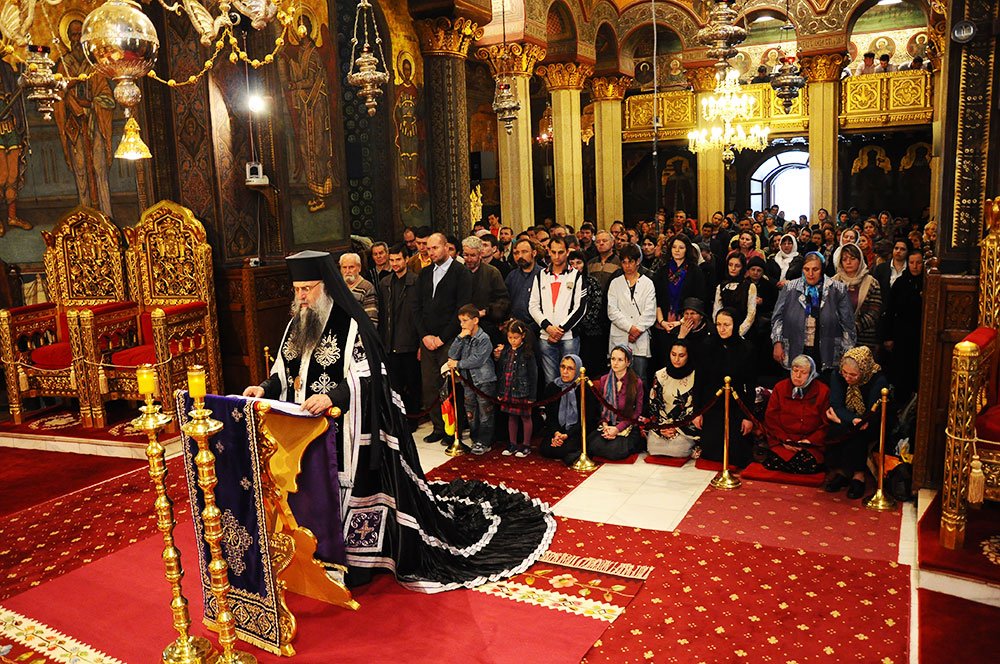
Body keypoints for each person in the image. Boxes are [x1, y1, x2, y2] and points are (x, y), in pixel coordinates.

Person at [243, 250, 553, 591]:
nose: (300, 297)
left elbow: (368, 375)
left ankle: (351, 560)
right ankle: (313, 551)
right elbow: (285, 372)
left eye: (307, 289)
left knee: (342, 491)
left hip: (345, 430)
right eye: (297, 289)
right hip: (303, 433)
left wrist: (332, 397)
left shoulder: (351, 324)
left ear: (325, 287)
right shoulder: (296, 323)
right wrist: (263, 387)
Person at [415, 233, 472, 443]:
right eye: (428, 249)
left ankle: (453, 429)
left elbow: (461, 308)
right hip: (428, 339)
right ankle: (438, 427)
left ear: (446, 247)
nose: (431, 253)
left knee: (449, 386)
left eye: (435, 248)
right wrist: (425, 336)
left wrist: (442, 337)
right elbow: (417, 307)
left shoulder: (460, 272)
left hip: (449, 339)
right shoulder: (425, 273)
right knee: (430, 385)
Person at [772, 252, 857, 377]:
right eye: (806, 269)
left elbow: (848, 324)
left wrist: (846, 351)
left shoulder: (837, 289)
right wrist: (777, 342)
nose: (810, 274)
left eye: (815, 269)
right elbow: (778, 317)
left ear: (822, 269)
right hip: (795, 345)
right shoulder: (790, 288)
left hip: (826, 348)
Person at [825, 346, 890, 500]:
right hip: (848, 418)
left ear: (864, 370)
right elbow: (836, 405)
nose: (847, 378)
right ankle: (841, 473)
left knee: (858, 435)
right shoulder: (838, 375)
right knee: (837, 428)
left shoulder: (877, 379)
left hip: (870, 421)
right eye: (845, 373)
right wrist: (849, 420)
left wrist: (851, 421)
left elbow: (871, 413)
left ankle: (858, 476)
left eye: (853, 375)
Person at [695, 309, 754, 468]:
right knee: (711, 454)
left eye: (726, 325)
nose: (722, 329)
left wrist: (748, 416)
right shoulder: (706, 346)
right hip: (711, 405)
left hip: (736, 406)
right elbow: (699, 381)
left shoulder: (746, 348)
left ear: (735, 325)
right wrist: (697, 412)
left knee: (736, 454)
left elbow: (750, 385)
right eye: (719, 324)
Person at [528, 237, 588, 384]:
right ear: (548, 251)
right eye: (553, 252)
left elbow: (580, 308)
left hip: (568, 337)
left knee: (571, 381)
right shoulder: (540, 275)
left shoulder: (576, 275)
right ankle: (553, 408)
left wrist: (560, 330)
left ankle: (571, 408)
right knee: (551, 381)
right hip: (545, 335)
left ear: (567, 252)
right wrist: (548, 327)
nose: (556, 256)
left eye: (560, 252)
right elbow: (533, 305)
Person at [761, 355, 830, 474]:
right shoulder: (780, 387)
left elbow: (826, 424)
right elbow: (771, 418)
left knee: (806, 464)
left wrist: (809, 441)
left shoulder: (823, 391)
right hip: (784, 441)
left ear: (811, 374)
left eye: (803, 372)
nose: (797, 376)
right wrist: (785, 440)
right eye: (794, 371)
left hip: (810, 443)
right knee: (772, 461)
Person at [379, 244, 420, 427]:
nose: (395, 263)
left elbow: (421, 314)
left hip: (410, 342)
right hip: (390, 342)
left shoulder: (416, 281)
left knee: (413, 384)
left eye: (398, 260)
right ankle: (399, 418)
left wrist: (420, 343)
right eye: (392, 260)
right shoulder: (385, 283)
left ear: (405, 260)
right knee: (395, 384)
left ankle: (413, 418)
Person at [448, 305, 496, 455]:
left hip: (483, 381)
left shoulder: (484, 338)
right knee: (471, 411)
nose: (462, 324)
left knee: (485, 412)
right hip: (467, 381)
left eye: (465, 320)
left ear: (475, 320)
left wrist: (458, 364)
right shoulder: (463, 336)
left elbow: (478, 359)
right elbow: (452, 353)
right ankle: (475, 438)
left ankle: (485, 441)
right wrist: (459, 338)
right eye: (460, 321)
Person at [607, 244, 657, 380]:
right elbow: (612, 311)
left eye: (631, 262)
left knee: (639, 378)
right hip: (620, 336)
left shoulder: (648, 283)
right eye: (624, 262)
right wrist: (630, 328)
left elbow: (650, 312)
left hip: (640, 338)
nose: (627, 266)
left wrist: (637, 331)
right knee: (618, 378)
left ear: (638, 262)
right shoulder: (615, 283)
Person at [587, 345, 645, 461]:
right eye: (613, 359)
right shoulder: (604, 380)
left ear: (628, 362)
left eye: (620, 360)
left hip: (627, 424)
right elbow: (602, 408)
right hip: (609, 424)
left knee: (615, 451)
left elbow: (637, 412)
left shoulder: (636, 382)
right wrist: (605, 425)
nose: (615, 363)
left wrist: (618, 428)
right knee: (592, 446)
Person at [646, 341, 701, 459]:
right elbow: (654, 404)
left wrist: (676, 427)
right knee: (653, 447)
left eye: (681, 356)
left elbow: (694, 407)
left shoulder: (696, 376)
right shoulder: (660, 375)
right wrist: (663, 427)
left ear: (688, 356)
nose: (676, 359)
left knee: (677, 448)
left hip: (684, 427)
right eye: (673, 354)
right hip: (662, 424)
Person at [883, 250, 924, 401]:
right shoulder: (900, 283)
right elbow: (890, 310)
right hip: (901, 334)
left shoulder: (927, 283)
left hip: (920, 334)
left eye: (919, 263)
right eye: (912, 262)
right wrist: (888, 336)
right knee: (901, 370)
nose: (915, 266)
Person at [494, 319, 538, 457]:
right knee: (511, 416)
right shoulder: (506, 351)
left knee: (525, 417)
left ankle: (526, 445)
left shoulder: (528, 352)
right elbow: (501, 371)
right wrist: (500, 391)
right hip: (508, 389)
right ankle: (512, 443)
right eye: (510, 337)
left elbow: (533, 375)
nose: (513, 340)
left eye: (516, 338)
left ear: (523, 336)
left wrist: (532, 396)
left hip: (523, 391)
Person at [540, 354, 593, 464]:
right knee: (545, 449)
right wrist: (556, 433)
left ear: (578, 370)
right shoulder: (553, 387)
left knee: (566, 449)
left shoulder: (583, 388)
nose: (565, 371)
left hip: (576, 431)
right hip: (558, 430)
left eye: (570, 368)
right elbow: (550, 416)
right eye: (562, 367)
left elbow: (588, 419)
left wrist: (567, 434)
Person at [831, 244, 882, 355]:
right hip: (837, 338)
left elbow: (873, 313)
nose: (848, 262)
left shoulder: (872, 283)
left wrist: (852, 329)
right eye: (844, 259)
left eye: (852, 258)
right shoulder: (832, 283)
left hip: (863, 339)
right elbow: (828, 309)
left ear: (860, 260)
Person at [462, 235, 510, 345]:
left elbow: (503, 301)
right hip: (463, 327)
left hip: (487, 326)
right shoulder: (458, 272)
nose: (469, 259)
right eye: (466, 255)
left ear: (480, 254)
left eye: (473, 255)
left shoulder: (492, 273)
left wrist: (485, 311)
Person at [712, 253, 757, 338]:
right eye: (730, 265)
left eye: (737, 266)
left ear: (742, 267)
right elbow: (716, 310)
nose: (733, 268)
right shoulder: (721, 286)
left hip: (743, 333)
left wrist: (738, 333)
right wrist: (719, 328)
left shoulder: (750, 286)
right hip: (723, 330)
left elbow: (751, 314)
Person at [340, 253, 378, 327]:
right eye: (344, 267)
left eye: (351, 267)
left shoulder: (367, 288)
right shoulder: (338, 287)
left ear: (359, 268)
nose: (347, 271)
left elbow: (372, 320)